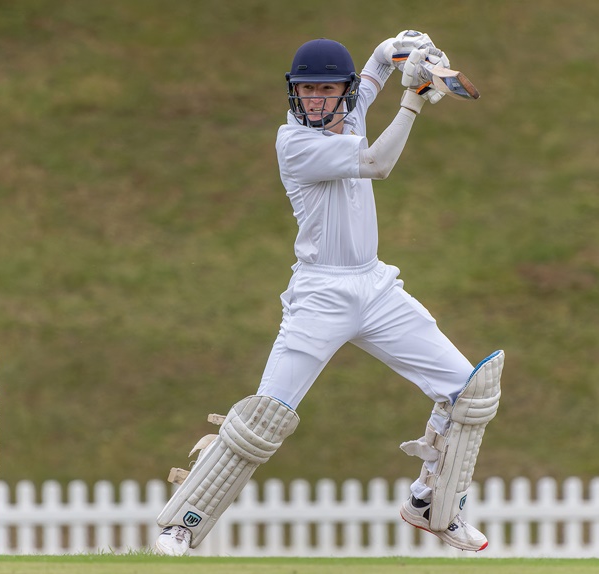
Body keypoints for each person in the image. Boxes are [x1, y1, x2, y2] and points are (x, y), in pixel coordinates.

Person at [154, 32, 503, 556]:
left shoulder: (353, 105)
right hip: (320, 293)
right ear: (295, 93)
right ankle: (180, 523)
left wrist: (409, 49)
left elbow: (381, 63)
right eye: (307, 90)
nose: (316, 99)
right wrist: (413, 99)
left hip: (377, 287)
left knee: (467, 393)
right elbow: (379, 164)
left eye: (326, 90)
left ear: (344, 92)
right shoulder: (294, 143)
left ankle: (433, 504)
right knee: (264, 417)